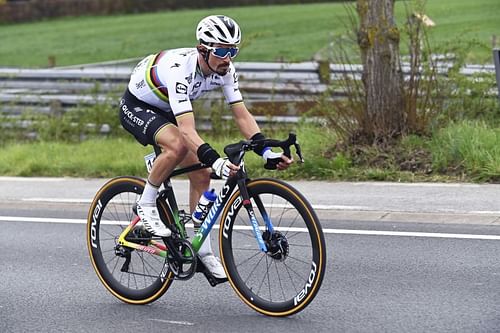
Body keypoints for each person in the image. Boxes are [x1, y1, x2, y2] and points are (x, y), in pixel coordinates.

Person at [119, 15, 293, 279]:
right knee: (177, 145)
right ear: (203, 49)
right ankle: (146, 204)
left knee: (200, 175)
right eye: (222, 51)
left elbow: (242, 115)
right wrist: (216, 160)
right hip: (138, 106)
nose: (228, 58)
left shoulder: (225, 70)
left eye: (233, 50)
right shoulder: (181, 69)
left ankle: (203, 252)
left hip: (167, 109)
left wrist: (265, 150)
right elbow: (187, 131)